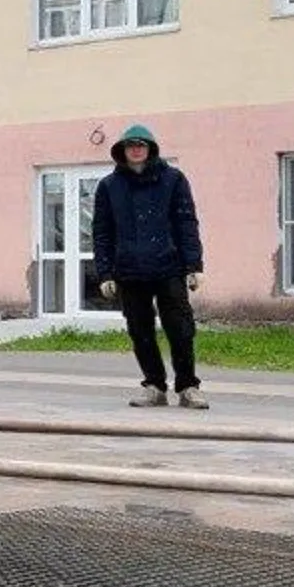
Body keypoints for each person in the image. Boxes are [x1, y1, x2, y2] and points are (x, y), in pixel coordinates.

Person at [92, 123, 207, 410]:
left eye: (141, 145)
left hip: (169, 267)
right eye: (131, 145)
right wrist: (105, 271)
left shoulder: (173, 180)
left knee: (181, 329)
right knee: (140, 331)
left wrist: (193, 264)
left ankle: (188, 387)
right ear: (122, 150)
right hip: (129, 271)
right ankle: (154, 386)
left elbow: (186, 223)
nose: (136, 150)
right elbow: (102, 232)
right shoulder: (109, 186)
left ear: (150, 149)